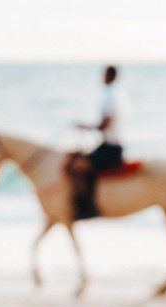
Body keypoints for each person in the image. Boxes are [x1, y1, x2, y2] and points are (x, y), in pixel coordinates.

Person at [68, 65, 125, 219]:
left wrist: (86, 127)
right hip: (109, 145)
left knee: (79, 166)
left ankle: (89, 206)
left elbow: (105, 124)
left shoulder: (110, 96)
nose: (102, 77)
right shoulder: (115, 95)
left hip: (111, 147)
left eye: (104, 74)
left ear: (110, 76)